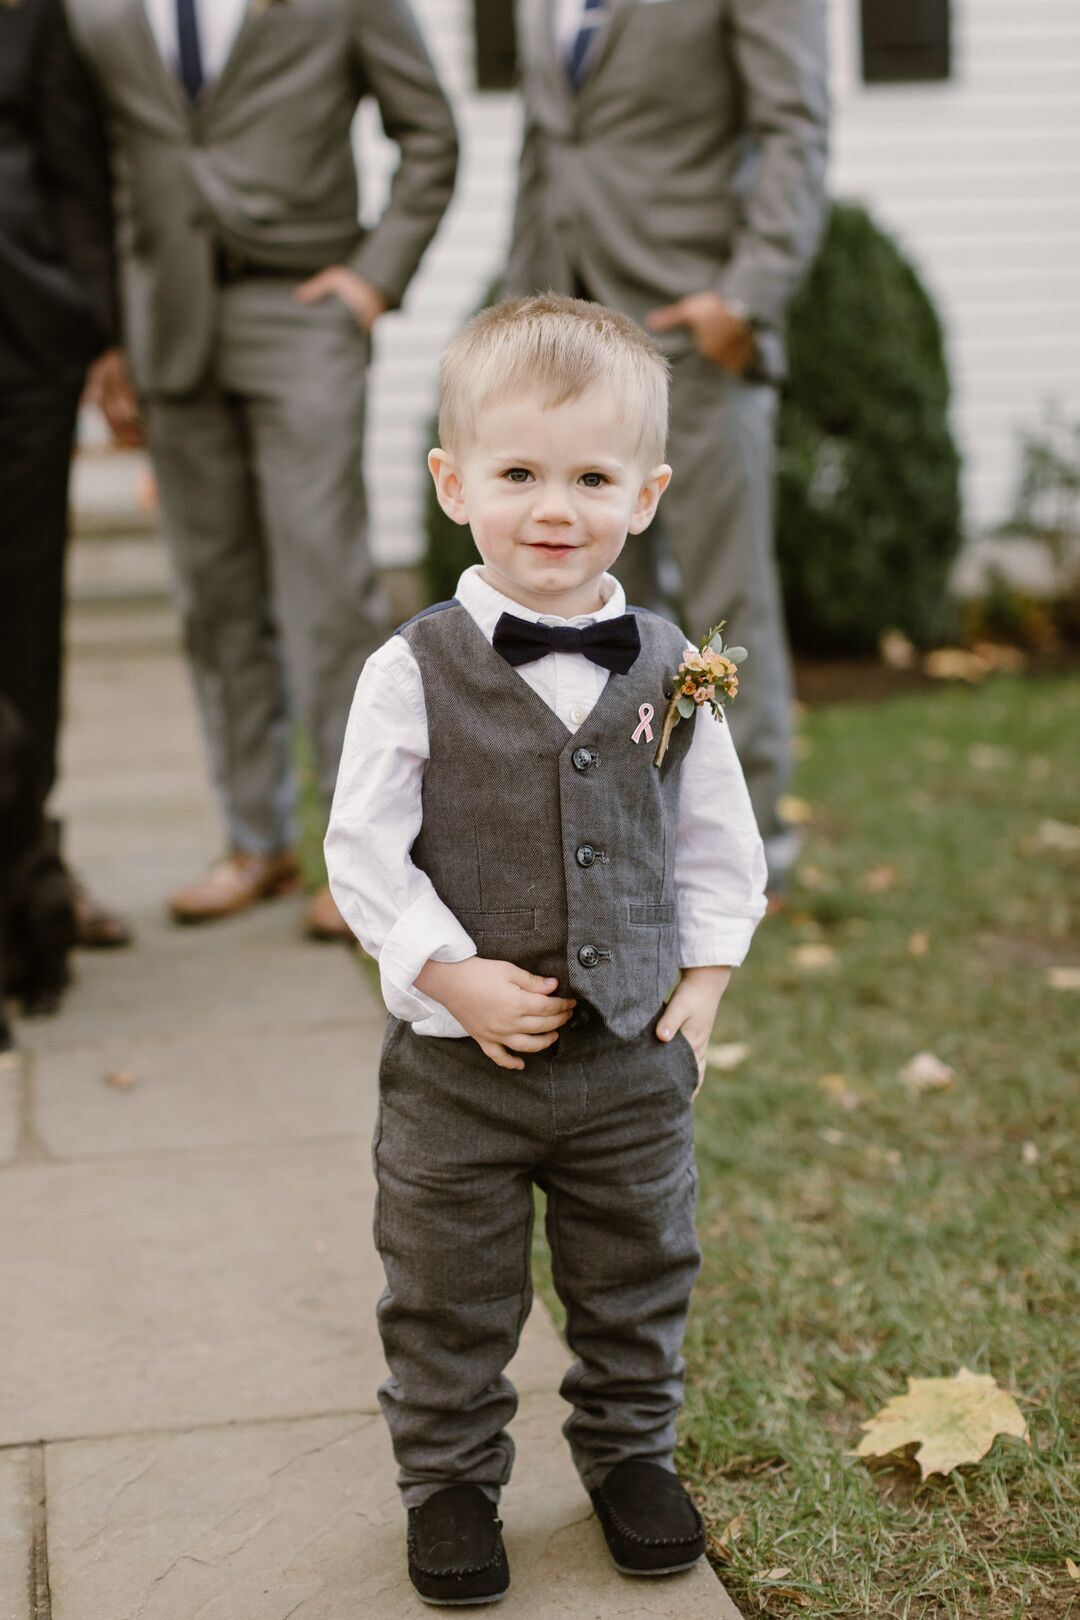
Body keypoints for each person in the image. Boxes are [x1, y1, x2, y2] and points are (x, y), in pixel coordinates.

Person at [325, 295, 767, 1605]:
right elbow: (362, 847)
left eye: (590, 477)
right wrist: (447, 974)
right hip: (460, 1073)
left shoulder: (673, 667)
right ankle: (451, 1480)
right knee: (446, 1287)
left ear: (647, 494)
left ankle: (632, 1452)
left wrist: (703, 990)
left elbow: (716, 844)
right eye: (519, 474)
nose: (554, 507)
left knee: (638, 1267)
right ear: (455, 482)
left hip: (631, 1063)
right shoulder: (415, 669)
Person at [68, 0, 459, 938]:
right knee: (213, 595)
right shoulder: (97, 12)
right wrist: (110, 332)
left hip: (303, 309)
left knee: (326, 587)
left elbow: (431, 134)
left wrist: (372, 279)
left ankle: (359, 852)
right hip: (165, 322)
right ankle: (253, 840)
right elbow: (94, 172)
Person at [503, 0, 829, 894]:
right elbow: (546, 147)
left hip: (693, 323)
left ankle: (754, 843)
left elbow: (795, 126)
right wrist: (523, 311)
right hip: (572, 333)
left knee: (729, 592)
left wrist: (747, 297)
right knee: (592, 601)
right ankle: (618, 829)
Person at [0, 0, 131, 951]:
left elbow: (78, 173)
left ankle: (27, 866)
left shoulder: (34, 16)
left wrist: (94, 323)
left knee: (22, 610)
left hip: (19, 348)